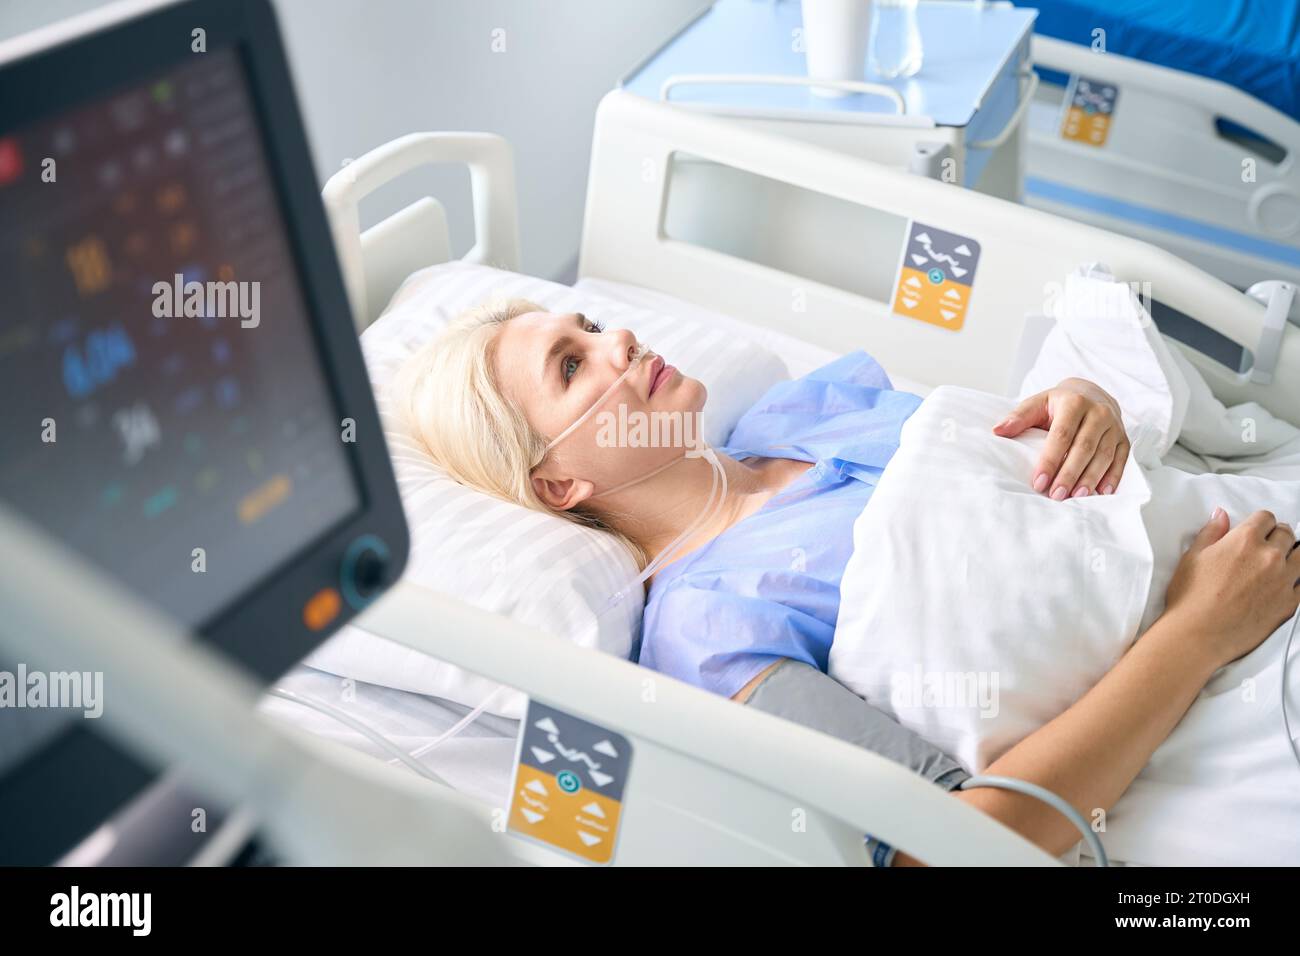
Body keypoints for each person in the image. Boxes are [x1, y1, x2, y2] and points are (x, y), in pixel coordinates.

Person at [396, 298, 1300, 864]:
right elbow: (947, 844)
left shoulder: (803, 412)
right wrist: (1196, 632)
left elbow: (1020, 499)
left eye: (589, 327)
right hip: (1226, 688)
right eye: (571, 367)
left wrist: (1080, 407)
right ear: (559, 486)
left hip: (1242, 533)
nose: (618, 340)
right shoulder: (709, 634)